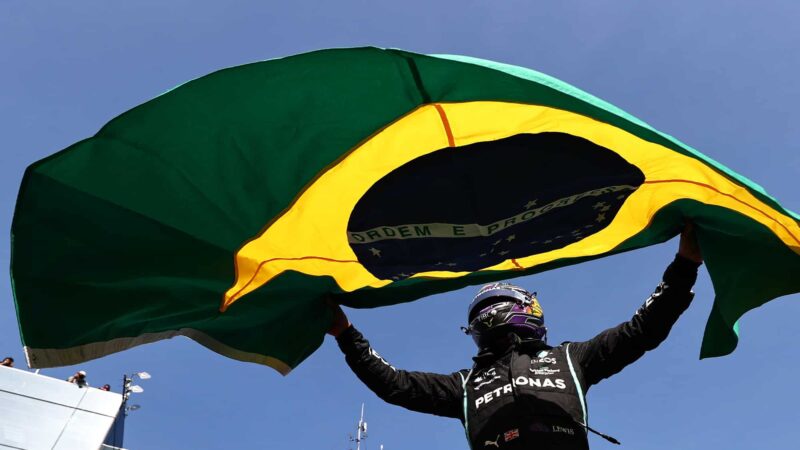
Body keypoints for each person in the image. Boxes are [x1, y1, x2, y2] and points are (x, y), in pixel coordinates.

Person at [328, 223, 703, 450]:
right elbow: (395, 384)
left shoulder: (570, 360)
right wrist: (345, 334)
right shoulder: (466, 384)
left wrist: (686, 264)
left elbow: (644, 329)